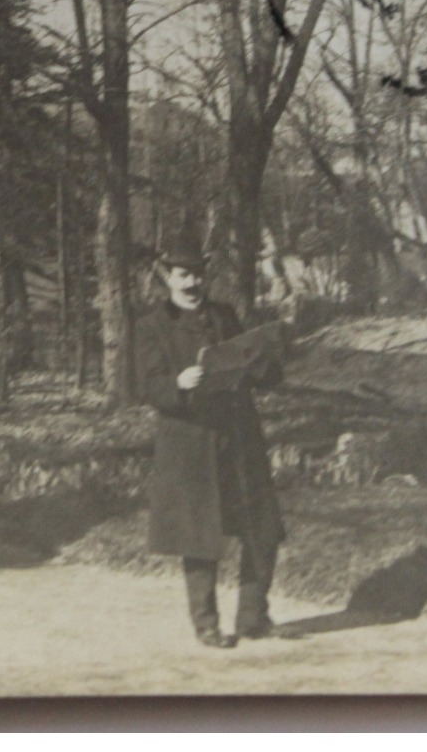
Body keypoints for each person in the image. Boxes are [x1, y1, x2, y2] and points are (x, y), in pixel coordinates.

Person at [133, 239, 286, 649]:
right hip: (190, 442)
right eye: (183, 275)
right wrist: (177, 384)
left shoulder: (225, 315)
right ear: (167, 278)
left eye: (199, 274)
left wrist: (265, 358)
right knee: (199, 535)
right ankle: (206, 624)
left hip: (239, 437)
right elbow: (146, 386)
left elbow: (261, 372)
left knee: (263, 528)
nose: (193, 283)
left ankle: (254, 617)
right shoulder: (151, 325)